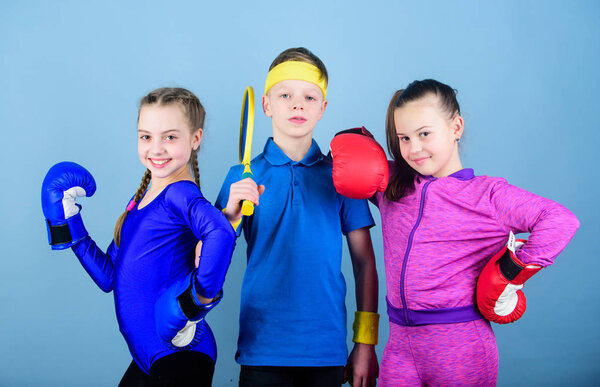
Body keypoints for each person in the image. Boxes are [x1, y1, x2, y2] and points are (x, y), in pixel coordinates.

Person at [330, 79, 579, 386]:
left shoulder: (488, 195)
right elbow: (344, 153)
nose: (414, 148)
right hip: (400, 347)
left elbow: (560, 220)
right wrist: (355, 142)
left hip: (462, 347)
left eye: (424, 134)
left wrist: (511, 274)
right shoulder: (392, 185)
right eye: (404, 138)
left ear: (456, 127)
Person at [41, 87, 236, 386]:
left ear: (195, 139)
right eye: (146, 136)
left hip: (181, 355)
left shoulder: (180, 193)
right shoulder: (139, 201)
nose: (156, 148)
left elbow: (220, 233)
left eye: (170, 137)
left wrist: (193, 302)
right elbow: (109, 277)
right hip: (146, 357)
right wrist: (69, 220)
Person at [215, 47, 380, 386]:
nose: (297, 104)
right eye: (285, 94)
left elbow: (365, 263)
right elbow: (208, 262)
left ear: (322, 108)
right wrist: (229, 216)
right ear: (266, 104)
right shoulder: (240, 176)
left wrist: (365, 341)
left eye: (309, 96)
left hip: (326, 349)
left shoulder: (342, 176)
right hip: (262, 347)